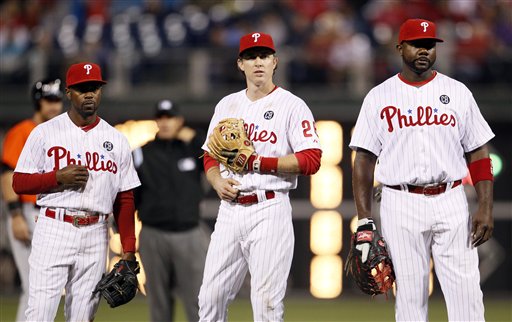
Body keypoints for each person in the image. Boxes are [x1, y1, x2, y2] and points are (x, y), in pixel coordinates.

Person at [350, 18, 494, 321]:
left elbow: (479, 151)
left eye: (429, 45)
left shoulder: (457, 92)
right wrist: (364, 221)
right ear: (400, 47)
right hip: (399, 201)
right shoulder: (378, 97)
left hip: (451, 197)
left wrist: (485, 205)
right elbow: (363, 159)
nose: (424, 50)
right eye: (417, 44)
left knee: (467, 293)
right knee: (411, 297)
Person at [198, 32, 322, 322]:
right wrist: (216, 181)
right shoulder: (226, 105)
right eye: (251, 57)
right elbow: (209, 154)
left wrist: (257, 163)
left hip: (269, 207)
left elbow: (311, 160)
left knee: (266, 303)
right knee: (210, 298)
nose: (258, 62)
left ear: (275, 61)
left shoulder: (292, 105)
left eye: (264, 56)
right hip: (229, 211)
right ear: (240, 64)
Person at [12, 62, 141, 321]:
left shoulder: (115, 139)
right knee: (39, 313)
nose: (90, 94)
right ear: (69, 93)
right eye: (82, 89)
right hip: (54, 227)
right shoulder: (44, 133)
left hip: (96, 232)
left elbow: (124, 198)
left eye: (94, 87)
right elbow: (19, 182)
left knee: (83, 315)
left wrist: (129, 249)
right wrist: (56, 178)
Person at [133, 99, 209, 322]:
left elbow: (217, 154)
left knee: (199, 300)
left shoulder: (192, 149)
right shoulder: (141, 154)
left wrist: (194, 138)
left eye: (170, 118)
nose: (165, 123)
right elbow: (129, 197)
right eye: (161, 118)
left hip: (189, 234)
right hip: (153, 234)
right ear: (156, 121)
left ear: (180, 122)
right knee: (159, 302)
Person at [0, 78, 63, 322]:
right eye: (49, 100)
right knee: (35, 286)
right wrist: (15, 215)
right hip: (27, 211)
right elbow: (7, 176)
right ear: (38, 102)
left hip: (50, 214)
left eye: (57, 100)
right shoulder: (23, 131)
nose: (54, 106)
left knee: (47, 287)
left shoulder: (60, 133)